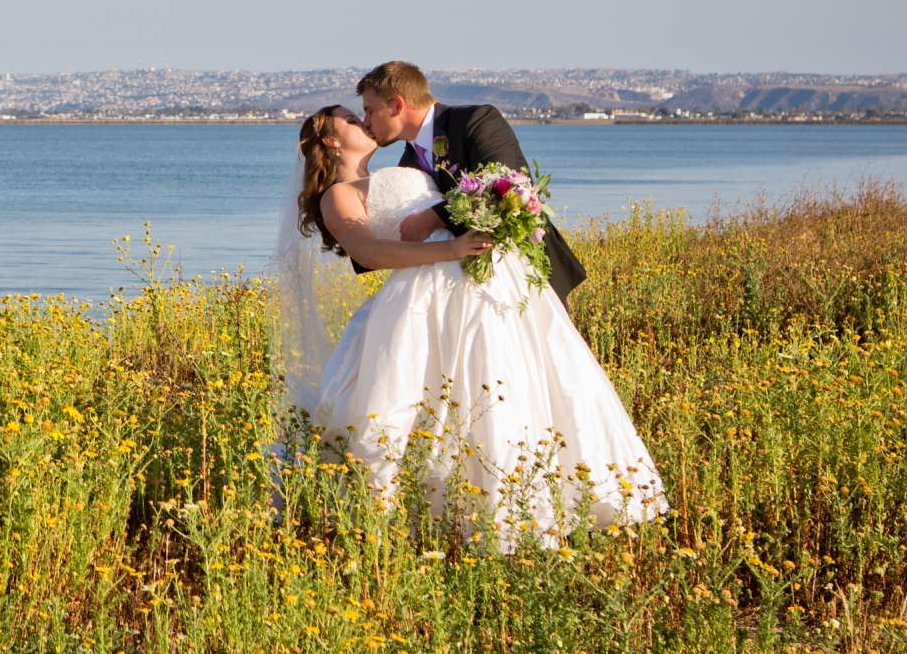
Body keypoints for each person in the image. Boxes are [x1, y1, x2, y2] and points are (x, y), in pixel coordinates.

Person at [277, 101, 667, 549]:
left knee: (509, 385)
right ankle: (430, 519)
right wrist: (455, 250)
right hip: (421, 301)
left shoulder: (408, 162)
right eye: (351, 118)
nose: (363, 120)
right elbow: (370, 254)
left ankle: (540, 507)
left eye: (365, 111)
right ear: (330, 139)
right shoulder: (338, 194)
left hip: (479, 292)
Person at [355, 59, 585, 303]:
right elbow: (374, 252)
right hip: (456, 294)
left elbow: (506, 186)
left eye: (370, 110)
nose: (365, 122)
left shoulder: (476, 120)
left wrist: (431, 218)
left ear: (396, 105)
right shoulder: (406, 166)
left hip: (523, 278)